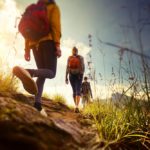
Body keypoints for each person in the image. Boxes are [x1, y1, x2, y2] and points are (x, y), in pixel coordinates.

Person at [13, 0, 61, 116]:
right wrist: (57, 45)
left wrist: (27, 49)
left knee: (42, 74)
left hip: (34, 45)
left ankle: (37, 104)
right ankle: (28, 72)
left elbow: (27, 31)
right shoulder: (52, 7)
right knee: (51, 72)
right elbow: (55, 26)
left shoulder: (33, 8)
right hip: (48, 42)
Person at [65, 47, 85, 113]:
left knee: (75, 90)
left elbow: (67, 67)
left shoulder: (69, 57)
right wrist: (81, 74)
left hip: (71, 75)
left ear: (72, 51)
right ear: (77, 51)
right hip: (78, 75)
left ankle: (76, 106)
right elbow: (83, 67)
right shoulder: (81, 57)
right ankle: (76, 106)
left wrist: (66, 77)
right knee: (77, 90)